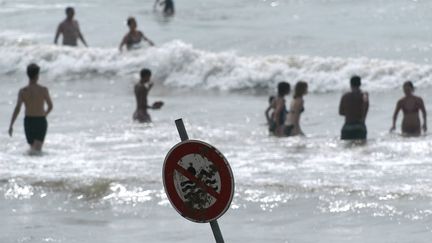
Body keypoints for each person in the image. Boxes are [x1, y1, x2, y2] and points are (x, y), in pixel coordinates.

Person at [8, 63, 53, 152]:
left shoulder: (23, 91)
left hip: (28, 122)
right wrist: (45, 114)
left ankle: (30, 164)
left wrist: (11, 125)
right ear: (37, 75)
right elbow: (50, 106)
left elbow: (18, 108)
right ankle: (34, 165)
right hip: (40, 121)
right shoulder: (43, 90)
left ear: (28, 75)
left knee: (33, 149)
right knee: (37, 149)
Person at [339, 76, 369, 140]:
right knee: (361, 148)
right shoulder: (364, 95)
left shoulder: (345, 96)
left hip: (347, 127)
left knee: (346, 149)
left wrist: (349, 113)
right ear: (360, 84)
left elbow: (340, 112)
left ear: (350, 84)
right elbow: (366, 104)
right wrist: (363, 117)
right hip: (359, 126)